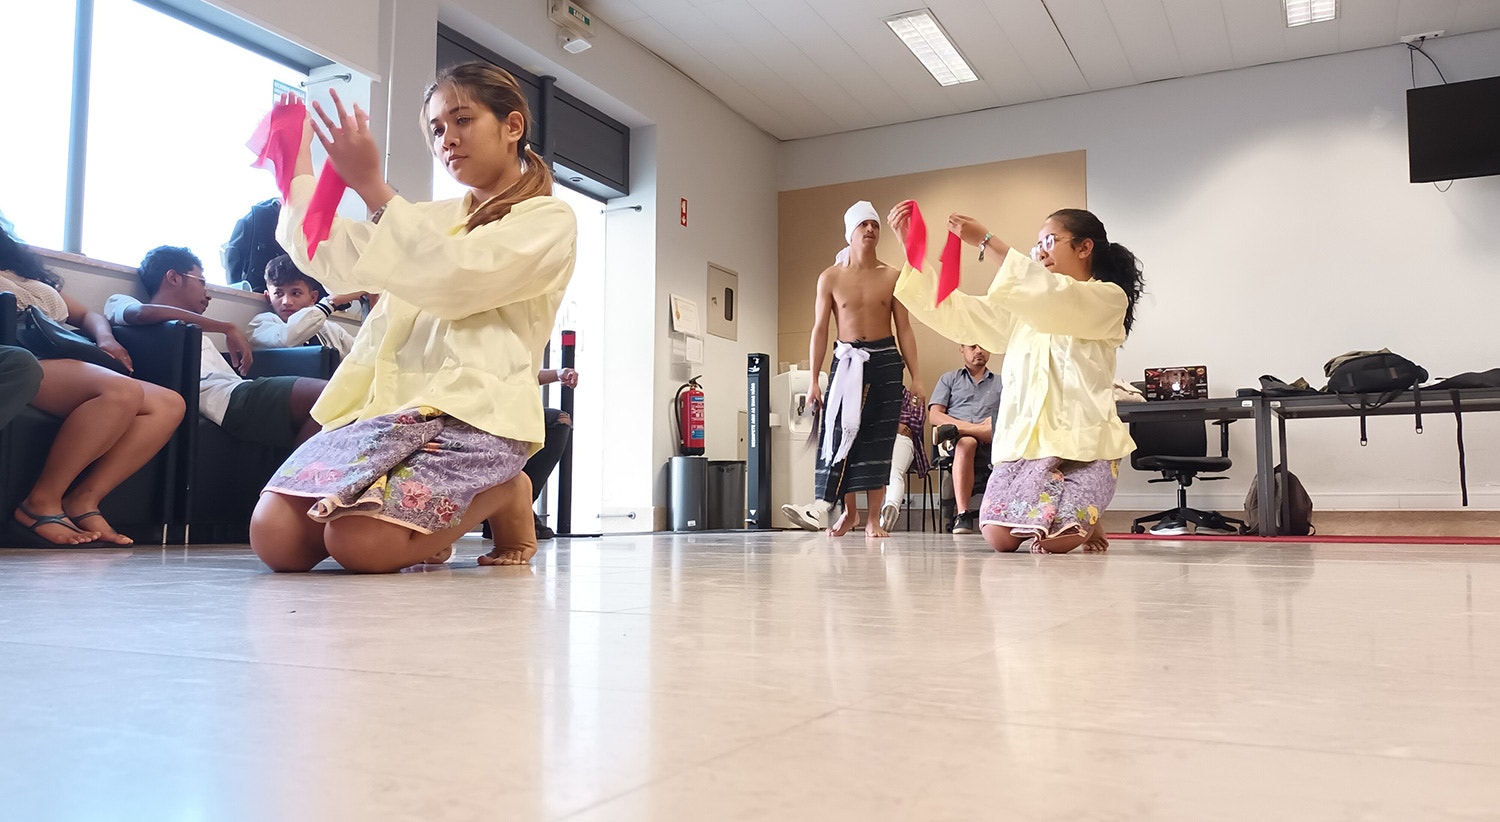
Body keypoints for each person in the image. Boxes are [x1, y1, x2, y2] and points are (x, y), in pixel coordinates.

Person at [250, 61, 577, 574]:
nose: (448, 139)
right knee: (277, 541)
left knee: (361, 545)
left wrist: (373, 189)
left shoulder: (548, 220)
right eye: (437, 129)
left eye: (463, 120)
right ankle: (429, 529)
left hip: (474, 416)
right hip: (390, 410)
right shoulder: (429, 217)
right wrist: (297, 169)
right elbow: (333, 257)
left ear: (513, 126)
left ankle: (508, 487)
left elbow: (457, 280)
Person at [888, 203, 1142, 554]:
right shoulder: (1026, 309)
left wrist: (987, 241)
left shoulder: (1108, 299)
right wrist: (911, 251)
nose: (1042, 252)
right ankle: (1078, 514)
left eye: (1050, 241)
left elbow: (1056, 298)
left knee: (1054, 540)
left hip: (1084, 449)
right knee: (998, 538)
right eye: (1039, 246)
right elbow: (962, 314)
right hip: (1028, 449)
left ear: (1085, 247)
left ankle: (1084, 516)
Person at [1, 219, 185, 546]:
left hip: (61, 357)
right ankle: (39, 503)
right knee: (121, 391)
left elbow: (88, 315)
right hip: (19, 358)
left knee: (169, 404)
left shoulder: (24, 276)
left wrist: (106, 340)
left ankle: (83, 499)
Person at [780, 201, 922, 539]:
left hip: (885, 360)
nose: (871, 230)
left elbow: (905, 328)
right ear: (850, 232)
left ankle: (873, 518)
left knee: (878, 439)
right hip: (845, 362)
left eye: (875, 225)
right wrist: (814, 380)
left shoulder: (892, 277)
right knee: (841, 436)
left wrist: (917, 377)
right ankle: (847, 513)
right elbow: (819, 329)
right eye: (864, 225)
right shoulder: (830, 277)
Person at [106, 247, 326, 450]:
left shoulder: (192, 329)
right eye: (201, 282)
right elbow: (141, 313)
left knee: (337, 404)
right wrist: (225, 327)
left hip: (237, 391)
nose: (208, 293)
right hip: (226, 399)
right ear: (173, 277)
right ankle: (290, 488)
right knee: (327, 395)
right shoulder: (121, 301)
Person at [480, 367, 578, 543]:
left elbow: (520, 370)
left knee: (558, 420)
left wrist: (558, 373)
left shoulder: (509, 347)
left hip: (507, 410)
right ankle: (506, 510)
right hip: (475, 410)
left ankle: (516, 507)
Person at [929, 343, 1002, 534]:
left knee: (992, 425)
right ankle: (963, 514)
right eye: (972, 346)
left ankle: (960, 430)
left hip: (992, 439)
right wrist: (972, 430)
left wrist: (959, 427)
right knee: (967, 442)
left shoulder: (1002, 382)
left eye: (984, 346)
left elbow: (1008, 417)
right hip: (957, 442)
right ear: (962, 349)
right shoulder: (949, 379)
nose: (979, 351)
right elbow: (934, 416)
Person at [248, 255, 360, 359]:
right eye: (279, 294)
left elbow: (358, 352)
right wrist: (331, 302)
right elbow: (288, 338)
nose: (287, 302)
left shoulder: (330, 330)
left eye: (296, 293)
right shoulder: (260, 325)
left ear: (313, 298)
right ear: (268, 297)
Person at [876, 384, 929, 531]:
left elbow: (915, 425)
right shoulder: (870, 393)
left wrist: (887, 425)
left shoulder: (912, 395)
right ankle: (882, 516)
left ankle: (890, 508)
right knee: (881, 472)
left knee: (894, 472)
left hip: (902, 439)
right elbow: (864, 422)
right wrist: (894, 425)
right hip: (876, 440)